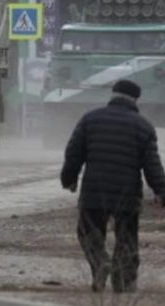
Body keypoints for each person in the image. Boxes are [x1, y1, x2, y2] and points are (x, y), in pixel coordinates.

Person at [61, 79, 165, 293]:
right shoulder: (143, 126)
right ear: (136, 100)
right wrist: (161, 191)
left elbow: (74, 153)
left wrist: (69, 179)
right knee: (126, 237)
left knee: (88, 231)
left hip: (94, 190)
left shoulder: (90, 119)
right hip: (127, 194)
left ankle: (99, 262)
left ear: (112, 95)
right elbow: (152, 165)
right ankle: (124, 284)